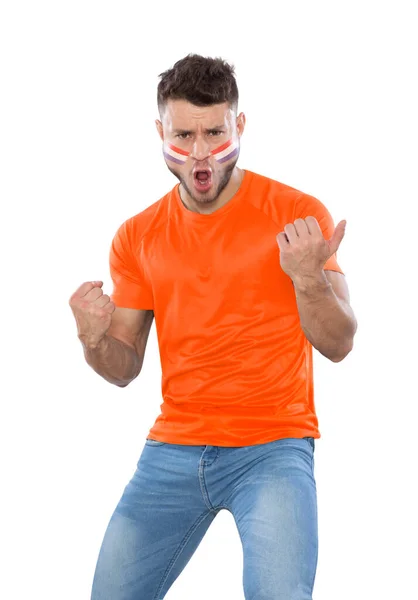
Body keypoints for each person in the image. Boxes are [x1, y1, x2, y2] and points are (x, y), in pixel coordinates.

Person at [69, 54, 357, 600]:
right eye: (183, 134)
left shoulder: (297, 214)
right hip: (173, 447)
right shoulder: (137, 236)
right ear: (160, 132)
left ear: (238, 126)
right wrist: (93, 339)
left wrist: (308, 279)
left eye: (214, 132)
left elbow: (340, 343)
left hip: (273, 446)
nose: (200, 152)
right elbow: (123, 366)